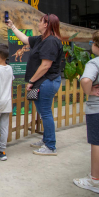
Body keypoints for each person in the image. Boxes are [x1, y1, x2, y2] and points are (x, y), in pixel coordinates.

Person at [7, 14, 63, 156]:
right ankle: (46, 140)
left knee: (45, 113)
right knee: (43, 112)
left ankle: (50, 146)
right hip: (41, 82)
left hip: (46, 82)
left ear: (46, 24)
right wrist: (12, 26)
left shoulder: (50, 41)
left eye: (40, 21)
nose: (38, 24)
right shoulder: (40, 39)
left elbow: (45, 65)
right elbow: (25, 39)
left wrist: (31, 81)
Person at [73, 29, 99, 194]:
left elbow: (85, 80)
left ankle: (96, 180)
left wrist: (89, 91)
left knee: (98, 143)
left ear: (98, 45)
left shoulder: (95, 63)